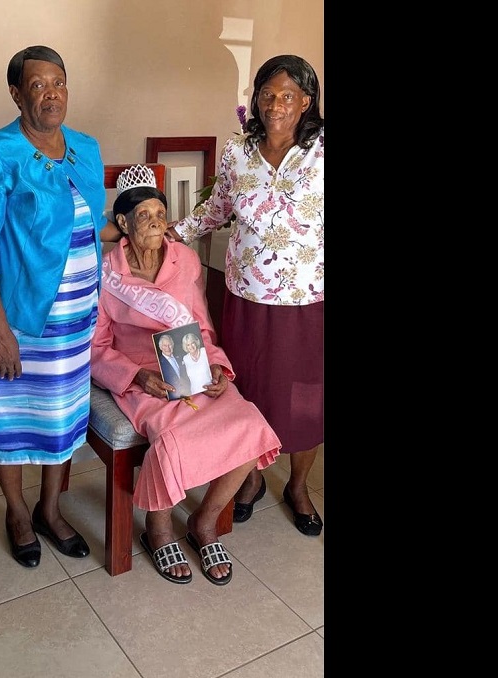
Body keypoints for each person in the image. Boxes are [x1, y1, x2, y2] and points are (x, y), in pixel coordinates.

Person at [90, 164, 282, 585]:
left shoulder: (186, 260)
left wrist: (216, 365)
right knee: (173, 437)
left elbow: (203, 324)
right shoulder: (106, 271)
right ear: (122, 223)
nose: (157, 223)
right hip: (140, 374)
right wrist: (136, 379)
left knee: (249, 423)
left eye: (161, 214)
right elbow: (98, 347)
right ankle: (157, 530)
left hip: (191, 364)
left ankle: (204, 521)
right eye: (145, 216)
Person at [0, 45, 104, 568]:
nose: (51, 93)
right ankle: (18, 512)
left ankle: (50, 508)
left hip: (76, 320)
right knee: (12, 418)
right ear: (16, 93)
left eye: (59, 82)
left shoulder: (86, 148)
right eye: (37, 84)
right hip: (16, 319)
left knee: (62, 418)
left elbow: (88, 224)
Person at [171, 54, 325, 536]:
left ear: (306, 101)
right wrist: (167, 232)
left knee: (306, 399)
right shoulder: (238, 152)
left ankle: (297, 485)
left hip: (307, 298)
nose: (275, 104)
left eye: (286, 95)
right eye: (266, 94)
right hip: (245, 297)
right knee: (248, 392)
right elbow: (213, 212)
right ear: (254, 99)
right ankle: (251, 478)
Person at [156, 333, 190, 400]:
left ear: (173, 345)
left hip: (188, 391)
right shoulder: (159, 362)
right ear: (160, 347)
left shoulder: (181, 358)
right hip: (173, 396)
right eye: (165, 346)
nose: (168, 348)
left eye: (170, 345)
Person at [181, 331, 212, 396]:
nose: (191, 346)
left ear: (196, 342)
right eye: (188, 345)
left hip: (210, 390)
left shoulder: (204, 351)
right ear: (185, 346)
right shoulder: (185, 358)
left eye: (192, 343)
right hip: (195, 392)